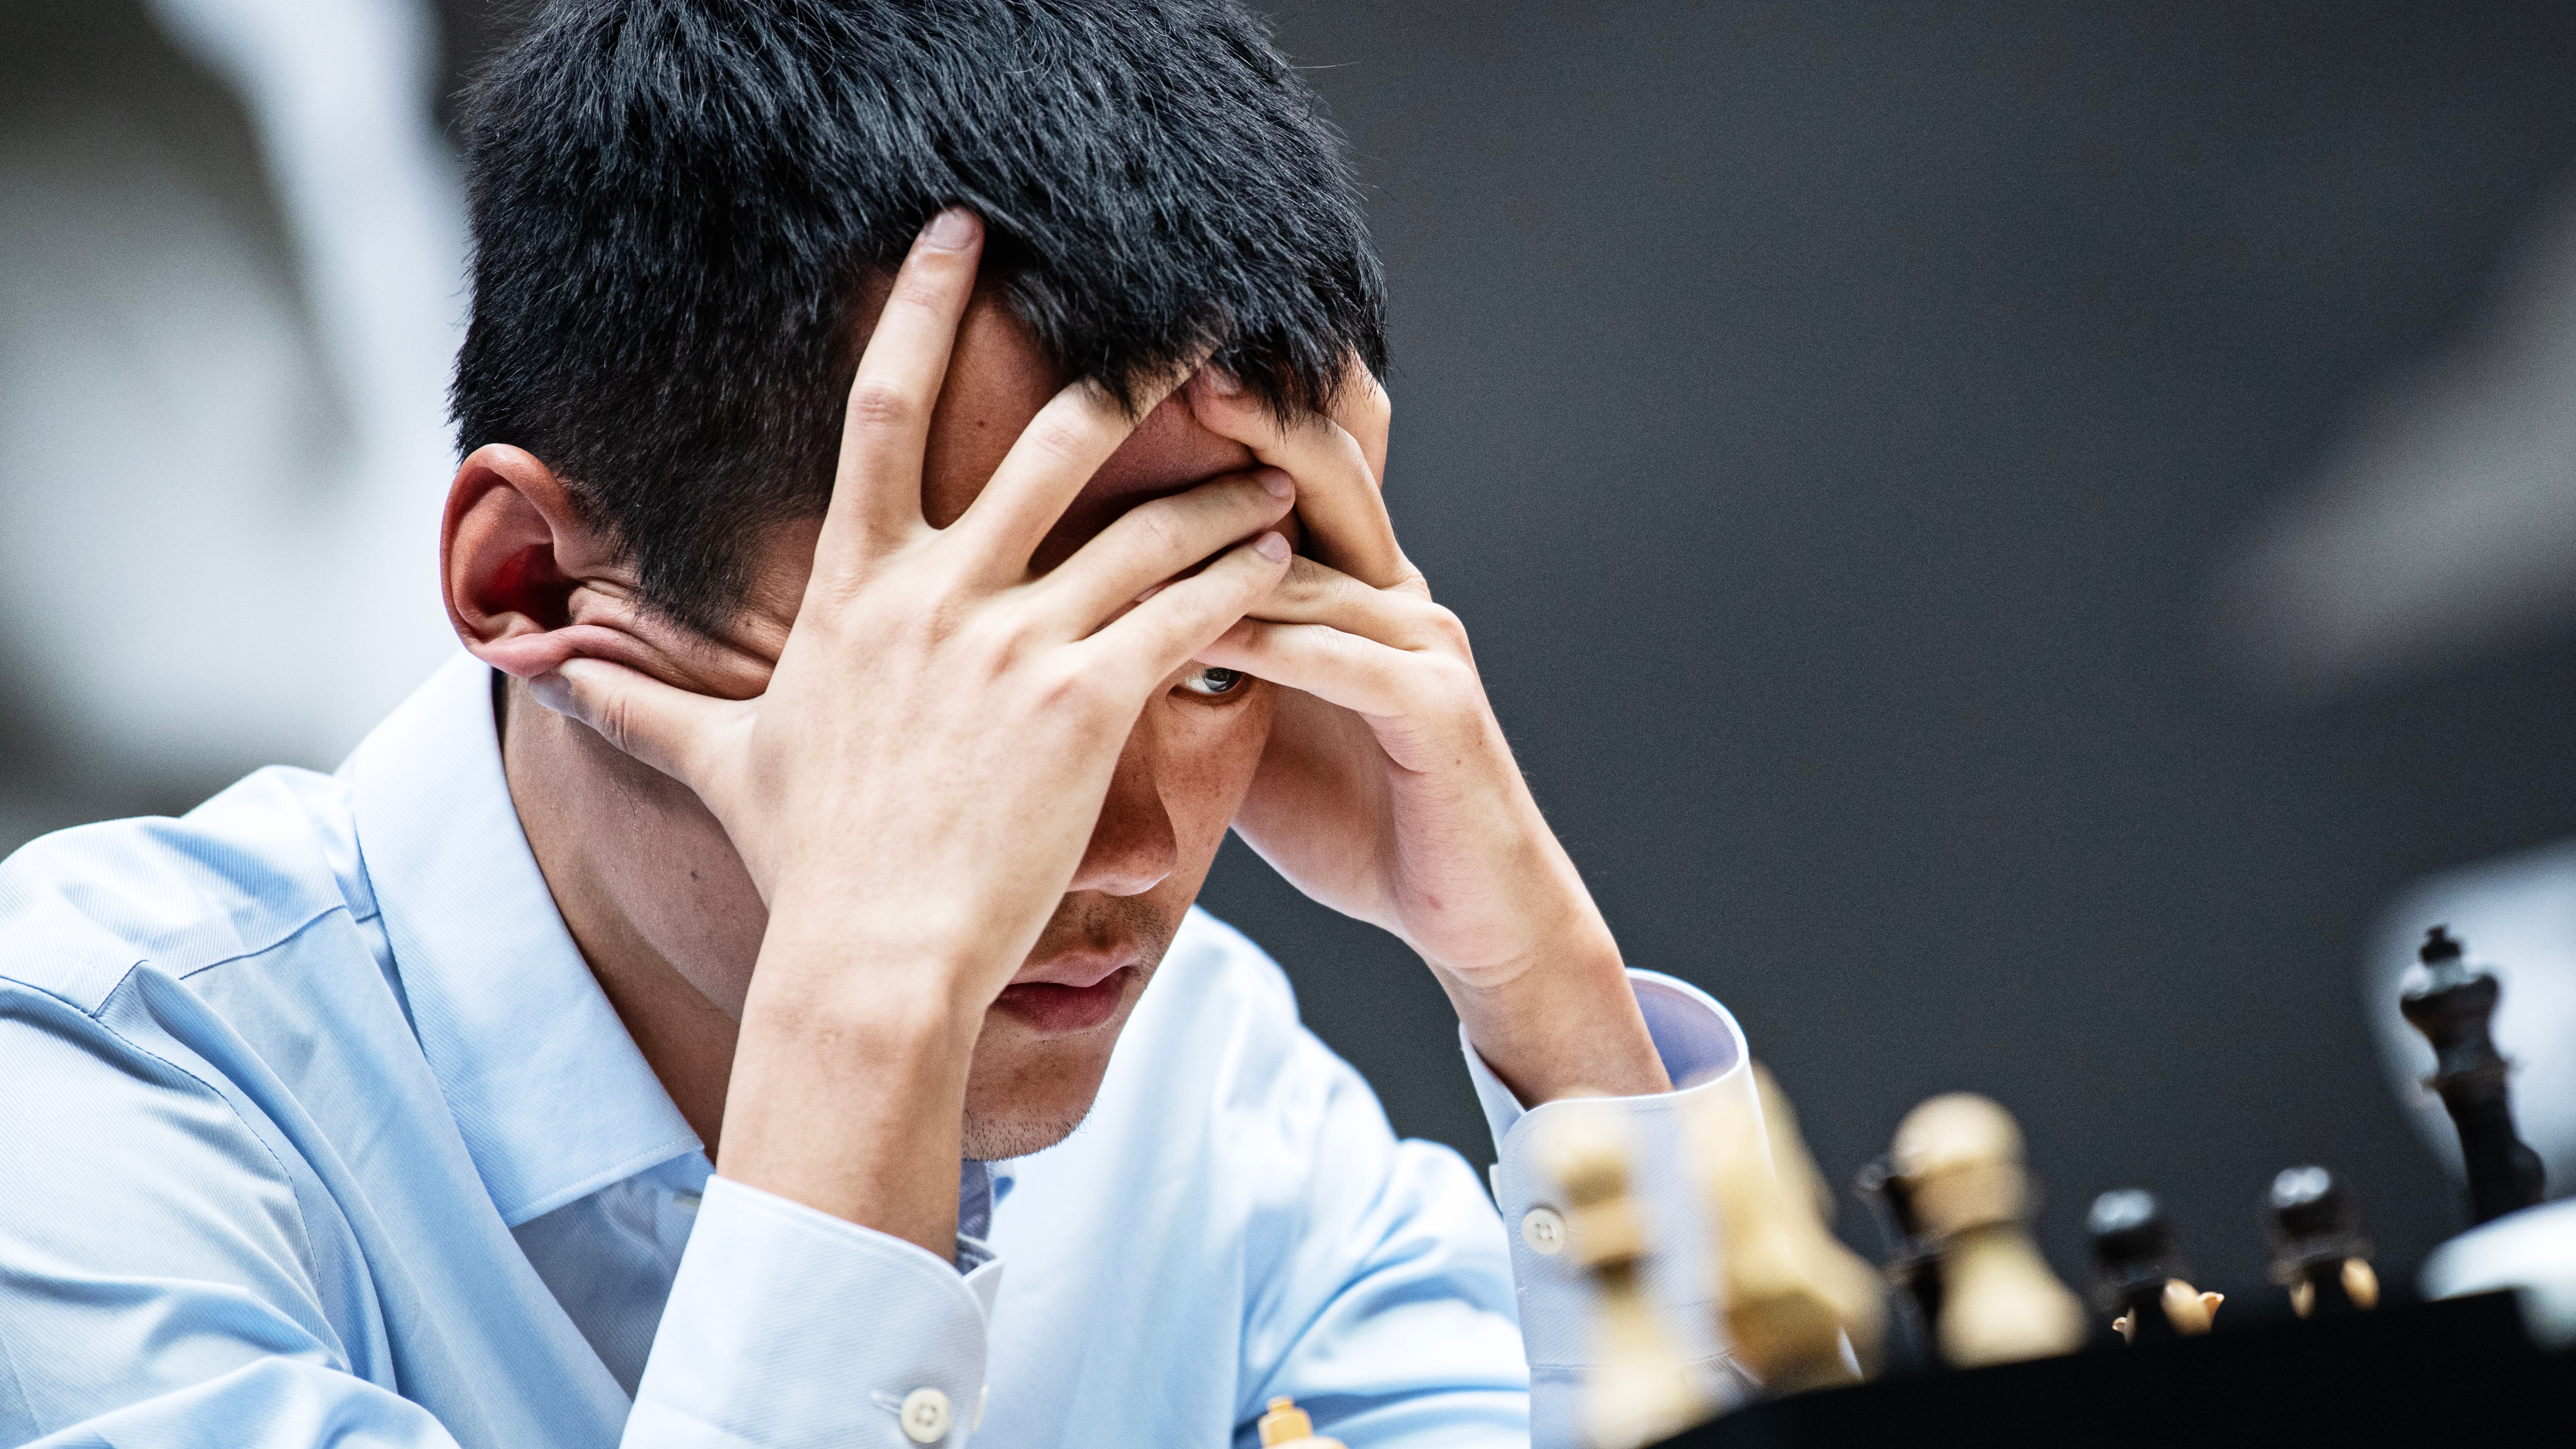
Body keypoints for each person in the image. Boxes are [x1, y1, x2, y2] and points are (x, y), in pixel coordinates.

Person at [0, 2, 1759, 1445]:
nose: (1139, 850)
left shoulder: (1206, 1100)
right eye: (979, 682)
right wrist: (870, 1021)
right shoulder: (85, 1087)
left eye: (1213, 658)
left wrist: (1541, 993)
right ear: (531, 581)